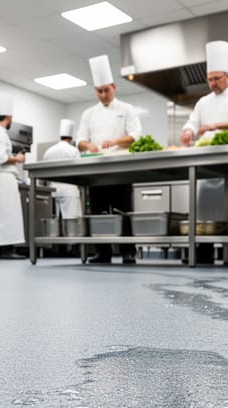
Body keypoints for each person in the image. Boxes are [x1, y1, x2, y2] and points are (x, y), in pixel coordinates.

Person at [180, 40, 228, 265]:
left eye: (217, 79)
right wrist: (188, 131)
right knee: (203, 207)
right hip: (207, 163)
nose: (213, 83)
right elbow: (193, 122)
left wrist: (214, 126)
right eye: (209, 79)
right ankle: (204, 251)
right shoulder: (203, 102)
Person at [76, 54, 142, 264]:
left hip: (121, 167)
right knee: (99, 211)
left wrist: (114, 141)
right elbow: (80, 140)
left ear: (114, 87)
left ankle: (128, 251)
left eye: (106, 90)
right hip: (97, 169)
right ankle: (102, 252)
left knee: (124, 211)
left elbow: (135, 135)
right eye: (99, 91)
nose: (103, 95)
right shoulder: (88, 113)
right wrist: (88, 145)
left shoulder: (127, 109)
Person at [0, 94, 26, 258]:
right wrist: (17, 159)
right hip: (2, 179)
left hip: (4, 180)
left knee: (5, 216)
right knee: (6, 216)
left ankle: (2, 250)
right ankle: (5, 251)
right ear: (9, 117)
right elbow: (0, 158)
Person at [43, 119, 83, 219]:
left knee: (55, 222)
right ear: (71, 138)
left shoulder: (49, 151)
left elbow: (44, 172)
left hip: (53, 190)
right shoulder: (73, 150)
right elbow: (79, 171)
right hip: (70, 190)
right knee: (72, 222)